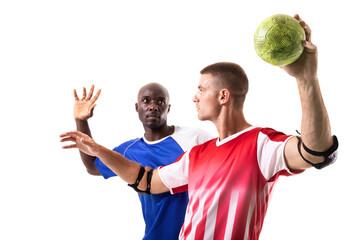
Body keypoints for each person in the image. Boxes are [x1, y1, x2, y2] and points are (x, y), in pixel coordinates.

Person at [61, 15, 338, 239]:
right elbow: (147, 182)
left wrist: (306, 78)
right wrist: (97, 148)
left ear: (223, 96)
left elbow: (315, 151)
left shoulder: (260, 144)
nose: (194, 96)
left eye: (201, 89)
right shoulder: (197, 154)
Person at [71, 83, 212, 240]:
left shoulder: (196, 138)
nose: (153, 106)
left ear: (168, 108)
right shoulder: (128, 151)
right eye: (146, 101)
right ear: (137, 107)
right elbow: (92, 166)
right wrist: (81, 121)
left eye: (160, 101)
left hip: (198, 235)